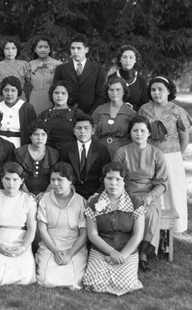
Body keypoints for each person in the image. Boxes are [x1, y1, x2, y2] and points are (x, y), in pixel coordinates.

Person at [114, 116, 169, 272]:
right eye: (135, 130)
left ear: (149, 133)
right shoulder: (122, 152)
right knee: (128, 213)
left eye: (143, 130)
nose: (139, 134)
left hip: (150, 193)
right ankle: (129, 250)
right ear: (130, 133)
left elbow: (163, 183)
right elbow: (115, 177)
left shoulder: (157, 154)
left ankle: (143, 254)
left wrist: (150, 196)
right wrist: (124, 195)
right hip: (126, 192)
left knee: (149, 214)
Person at [82, 162, 145, 296]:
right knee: (93, 282)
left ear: (124, 181)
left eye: (118, 179)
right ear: (103, 180)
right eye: (109, 178)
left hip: (126, 251)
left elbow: (137, 235)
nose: (113, 183)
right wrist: (111, 252)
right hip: (101, 250)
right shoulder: (94, 203)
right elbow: (92, 235)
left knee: (126, 284)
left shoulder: (135, 203)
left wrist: (121, 255)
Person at [138, 76, 191, 233]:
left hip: (171, 157)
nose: (156, 93)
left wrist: (175, 155)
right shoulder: (144, 109)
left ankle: (174, 227)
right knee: (152, 187)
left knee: (172, 188)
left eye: (160, 89)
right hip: (149, 156)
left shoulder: (177, 111)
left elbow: (184, 137)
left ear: (169, 91)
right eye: (153, 90)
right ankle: (153, 225)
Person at [0, 162, 37, 286]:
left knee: (25, 277)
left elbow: (31, 229)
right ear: (1, 179)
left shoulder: (28, 200)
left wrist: (23, 248)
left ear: (22, 180)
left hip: (20, 241)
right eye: (7, 179)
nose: (11, 184)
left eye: (15, 179)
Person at [36, 162, 88, 290]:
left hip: (74, 247)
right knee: (44, 279)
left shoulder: (81, 201)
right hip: (50, 245)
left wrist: (69, 254)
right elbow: (42, 230)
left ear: (70, 181)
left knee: (75, 280)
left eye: (60, 180)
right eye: (53, 180)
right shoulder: (44, 199)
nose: (55, 184)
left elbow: (84, 234)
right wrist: (55, 251)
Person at [59, 113, 111, 200]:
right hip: (71, 192)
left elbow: (107, 175)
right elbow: (61, 173)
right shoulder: (66, 149)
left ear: (93, 130)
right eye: (79, 128)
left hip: (95, 193)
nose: (82, 131)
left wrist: (97, 194)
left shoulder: (102, 149)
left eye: (86, 128)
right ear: (74, 131)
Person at [53, 35, 105, 114]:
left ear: (86, 50)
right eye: (72, 48)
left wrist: (91, 114)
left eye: (79, 48)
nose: (75, 51)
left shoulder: (97, 69)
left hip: (90, 114)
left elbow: (100, 96)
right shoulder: (61, 69)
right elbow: (55, 92)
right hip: (66, 114)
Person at [92, 76, 136, 158]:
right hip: (99, 154)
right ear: (107, 92)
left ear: (124, 92)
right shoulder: (99, 110)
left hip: (123, 155)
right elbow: (92, 134)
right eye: (111, 90)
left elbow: (134, 138)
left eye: (118, 89)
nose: (114, 93)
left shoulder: (131, 114)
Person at [14, 120, 59, 196]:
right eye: (36, 134)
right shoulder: (20, 152)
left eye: (43, 134)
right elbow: (17, 176)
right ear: (30, 136)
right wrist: (27, 194)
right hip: (22, 193)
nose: (40, 138)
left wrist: (45, 195)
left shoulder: (53, 154)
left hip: (49, 193)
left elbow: (55, 178)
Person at [0, 75, 37, 147]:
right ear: (2, 91)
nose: (9, 94)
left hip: (19, 146)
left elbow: (33, 131)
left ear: (18, 92)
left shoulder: (27, 108)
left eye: (13, 90)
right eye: (6, 90)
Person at [38, 80, 83, 150]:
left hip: (71, 153)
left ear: (68, 95)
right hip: (48, 153)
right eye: (56, 93)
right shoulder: (43, 115)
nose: (59, 95)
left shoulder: (77, 113)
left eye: (63, 93)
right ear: (51, 95)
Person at [26, 36, 62, 115]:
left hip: (52, 100)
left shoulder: (58, 65)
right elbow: (28, 82)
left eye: (46, 47)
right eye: (40, 47)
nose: (43, 50)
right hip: (34, 99)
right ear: (35, 49)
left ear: (49, 49)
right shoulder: (30, 64)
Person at [107, 45, 149, 110]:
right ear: (120, 59)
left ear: (135, 60)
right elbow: (106, 99)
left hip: (135, 116)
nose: (128, 60)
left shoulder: (141, 80)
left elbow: (145, 103)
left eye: (131, 57)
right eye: (124, 57)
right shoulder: (112, 78)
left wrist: (133, 107)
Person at [0, 38, 30, 103]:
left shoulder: (24, 65)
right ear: (3, 50)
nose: (10, 51)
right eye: (7, 48)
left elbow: (31, 83)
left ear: (17, 50)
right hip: (2, 99)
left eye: (13, 48)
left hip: (20, 99)